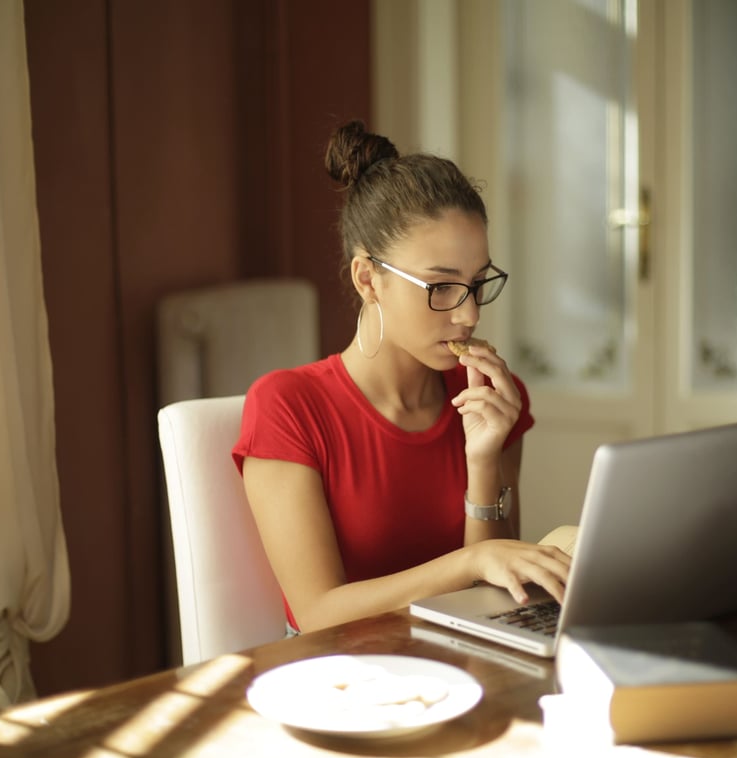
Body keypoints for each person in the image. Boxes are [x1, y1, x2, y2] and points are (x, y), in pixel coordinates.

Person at [232, 120, 571, 633]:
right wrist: (469, 563)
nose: (469, 314)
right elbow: (316, 612)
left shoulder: (491, 401)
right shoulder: (288, 406)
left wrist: (482, 460)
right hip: (343, 681)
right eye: (441, 286)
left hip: (468, 668)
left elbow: (490, 602)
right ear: (368, 278)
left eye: (478, 283)